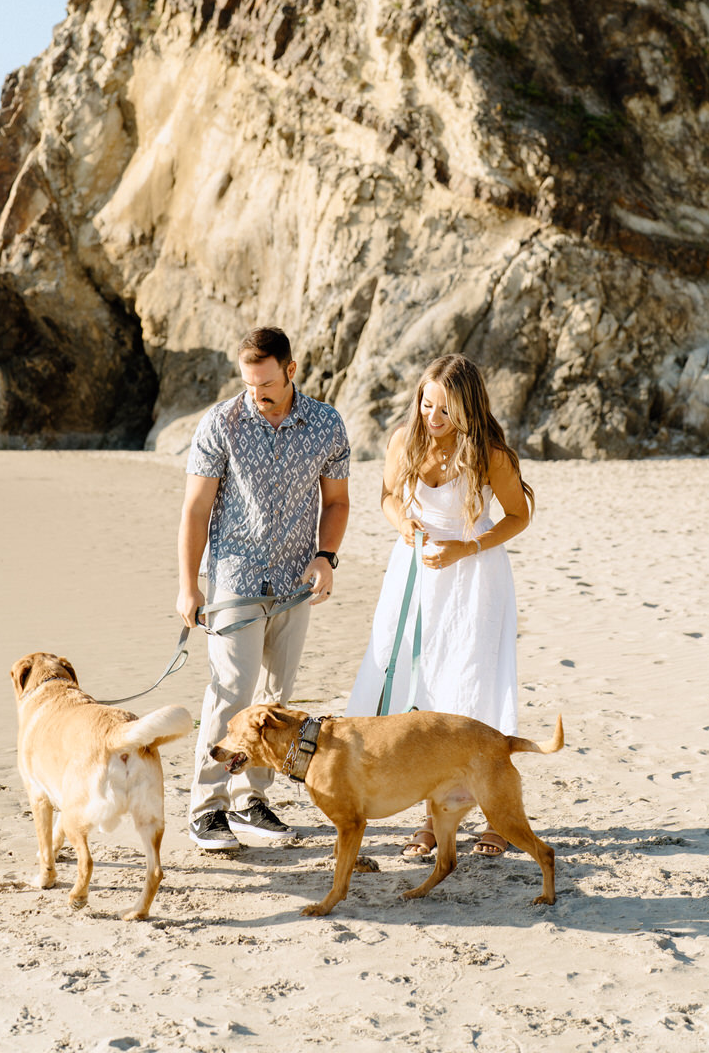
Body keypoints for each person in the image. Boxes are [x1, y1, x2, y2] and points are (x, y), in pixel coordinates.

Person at [346, 353, 534, 858]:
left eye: (445, 410)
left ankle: (495, 817)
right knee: (417, 687)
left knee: (470, 689)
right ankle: (435, 818)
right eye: (427, 404)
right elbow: (387, 495)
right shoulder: (405, 441)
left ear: (468, 410)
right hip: (413, 575)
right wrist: (402, 525)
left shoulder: (490, 454)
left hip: (473, 577)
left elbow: (518, 515)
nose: (433, 417)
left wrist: (467, 547)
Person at [177, 326, 350, 850]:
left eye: (268, 383)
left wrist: (326, 556)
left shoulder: (326, 425)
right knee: (232, 692)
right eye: (251, 384)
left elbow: (337, 502)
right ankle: (207, 809)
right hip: (235, 580)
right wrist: (188, 586)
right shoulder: (220, 424)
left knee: (276, 700)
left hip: (297, 584)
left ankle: (252, 800)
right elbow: (196, 509)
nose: (258, 394)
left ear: (291, 371)